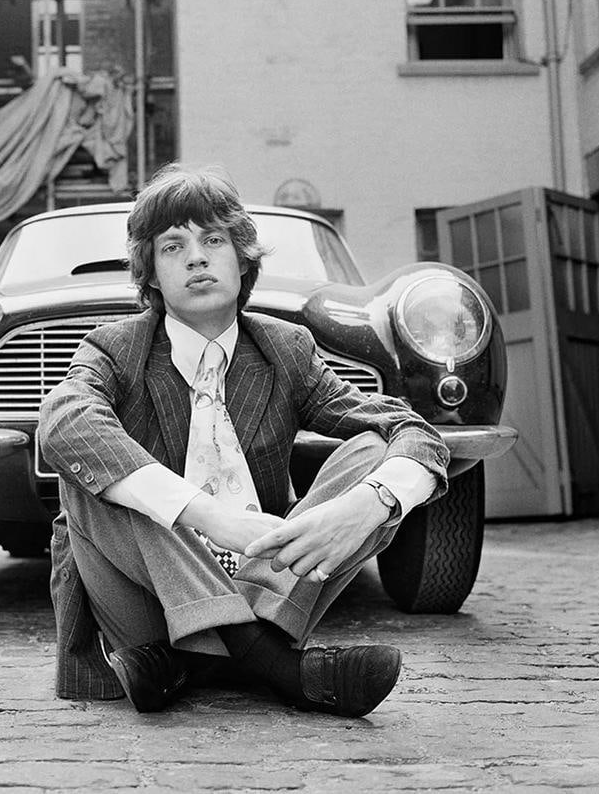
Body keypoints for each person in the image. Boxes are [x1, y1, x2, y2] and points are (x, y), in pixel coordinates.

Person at [39, 164, 449, 716]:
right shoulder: (114, 349)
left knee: (373, 454)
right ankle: (276, 665)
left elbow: (411, 430)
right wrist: (209, 516)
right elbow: (63, 421)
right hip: (146, 601)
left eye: (213, 239)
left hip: (271, 586)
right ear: (152, 275)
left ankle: (191, 662)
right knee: (89, 468)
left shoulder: (285, 350)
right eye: (172, 246)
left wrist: (365, 505)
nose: (197, 257)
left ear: (242, 261)